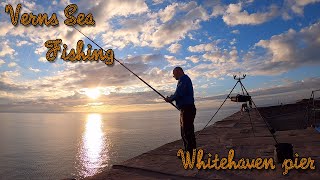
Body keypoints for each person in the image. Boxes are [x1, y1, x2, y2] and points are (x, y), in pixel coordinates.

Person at [164, 67, 196, 153]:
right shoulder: (183, 80)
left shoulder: (184, 79)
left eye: (174, 74)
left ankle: (190, 153)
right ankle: (188, 151)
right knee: (185, 131)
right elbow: (178, 93)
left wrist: (170, 99)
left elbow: (179, 93)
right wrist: (171, 98)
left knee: (187, 132)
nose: (173, 76)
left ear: (179, 71)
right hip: (186, 109)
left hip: (187, 109)